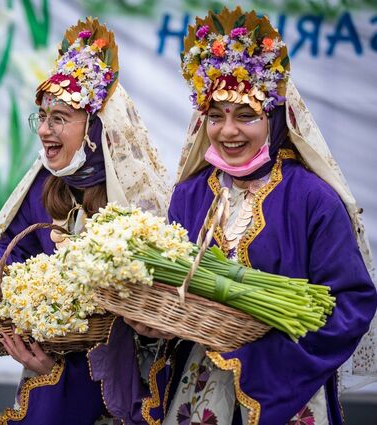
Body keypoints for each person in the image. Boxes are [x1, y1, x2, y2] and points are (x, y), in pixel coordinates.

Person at [126, 7, 377, 425]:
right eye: (215, 116)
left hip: (287, 390)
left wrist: (261, 357)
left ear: (275, 117)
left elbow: (352, 302)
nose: (228, 132)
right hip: (198, 387)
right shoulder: (189, 196)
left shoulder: (313, 199)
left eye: (246, 115)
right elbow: (172, 295)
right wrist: (155, 327)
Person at [0, 18, 173, 424]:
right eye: (40, 117)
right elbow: (8, 243)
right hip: (50, 366)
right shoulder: (45, 183)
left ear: (95, 128)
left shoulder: (133, 192)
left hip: (128, 382)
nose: (43, 131)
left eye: (58, 118)